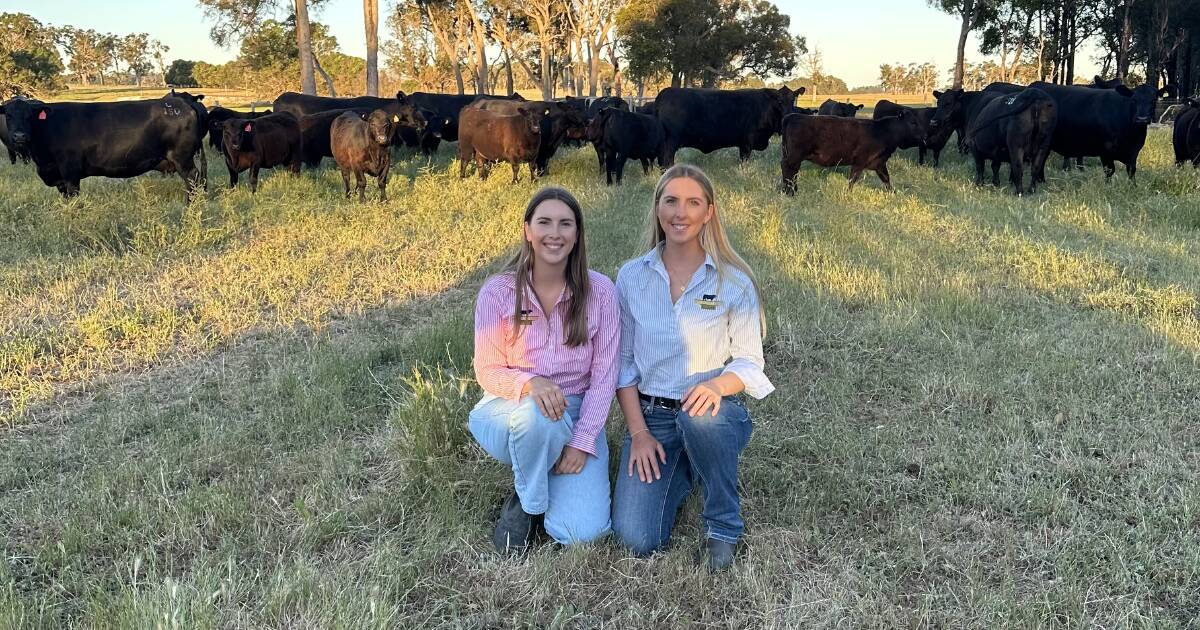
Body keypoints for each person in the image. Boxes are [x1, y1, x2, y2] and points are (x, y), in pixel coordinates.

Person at [611, 163, 774, 572]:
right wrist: (639, 433)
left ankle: (723, 525)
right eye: (671, 201)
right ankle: (686, 466)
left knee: (700, 422)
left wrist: (718, 386)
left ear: (709, 212)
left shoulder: (733, 282)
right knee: (637, 538)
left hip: (709, 411)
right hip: (652, 419)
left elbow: (750, 362)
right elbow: (624, 363)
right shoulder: (631, 277)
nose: (680, 212)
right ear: (657, 208)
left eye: (692, 202)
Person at [469, 186, 620, 554]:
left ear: (577, 233)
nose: (555, 233)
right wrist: (530, 383)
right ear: (528, 231)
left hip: (577, 410)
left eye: (565, 224)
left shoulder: (600, 292)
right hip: (508, 407)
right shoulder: (498, 292)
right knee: (539, 420)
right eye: (545, 222)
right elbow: (487, 370)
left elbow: (605, 377)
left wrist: (584, 441)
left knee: (581, 533)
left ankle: (539, 473)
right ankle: (529, 504)